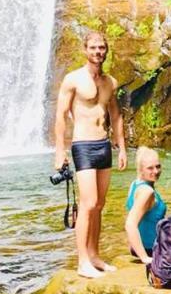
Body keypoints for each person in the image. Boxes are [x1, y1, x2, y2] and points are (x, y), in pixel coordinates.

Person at [53, 31, 127, 278]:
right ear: (85, 50)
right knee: (88, 203)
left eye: (102, 48)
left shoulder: (111, 82)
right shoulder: (73, 80)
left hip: (103, 145)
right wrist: (59, 151)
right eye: (94, 48)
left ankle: (94, 255)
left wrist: (122, 147)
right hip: (83, 145)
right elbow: (61, 115)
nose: (98, 52)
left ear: (106, 50)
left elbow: (116, 115)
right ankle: (82, 261)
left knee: (99, 205)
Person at [124, 146, 166, 265]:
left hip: (139, 247)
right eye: (150, 168)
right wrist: (145, 258)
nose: (156, 171)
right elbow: (130, 224)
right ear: (141, 170)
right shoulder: (147, 192)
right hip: (150, 250)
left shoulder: (135, 184)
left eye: (158, 166)